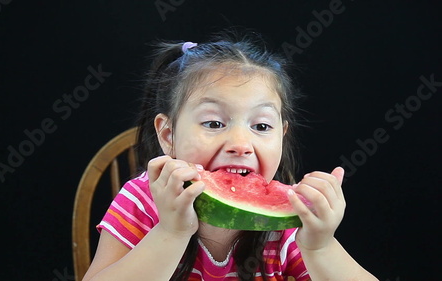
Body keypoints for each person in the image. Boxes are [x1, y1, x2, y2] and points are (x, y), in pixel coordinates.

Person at [83, 30, 378, 281]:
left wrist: (320, 247)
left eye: (261, 126)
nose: (241, 143)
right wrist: (170, 233)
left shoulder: (288, 220)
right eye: (214, 123)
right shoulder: (142, 201)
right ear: (167, 134)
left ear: (281, 135)